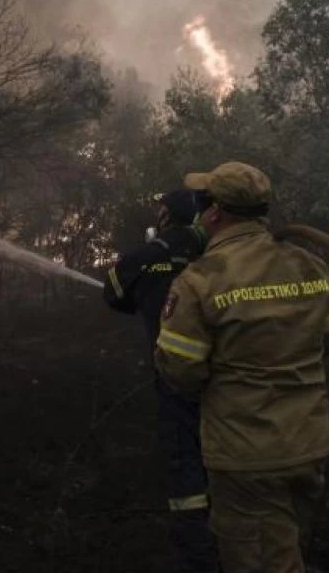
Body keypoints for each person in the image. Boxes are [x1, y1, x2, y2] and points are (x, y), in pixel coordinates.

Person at [154, 162, 329, 573]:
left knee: (259, 560)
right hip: (309, 446)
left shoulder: (201, 279)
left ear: (216, 212)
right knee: (288, 547)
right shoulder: (308, 265)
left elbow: (179, 370)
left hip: (246, 458)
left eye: (204, 205)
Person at [103, 189, 218, 572]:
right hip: (231, 378)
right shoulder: (223, 253)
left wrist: (151, 279)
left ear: (166, 214)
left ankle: (199, 553)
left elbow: (115, 293)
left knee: (185, 458)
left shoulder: (150, 257)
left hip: (175, 375)